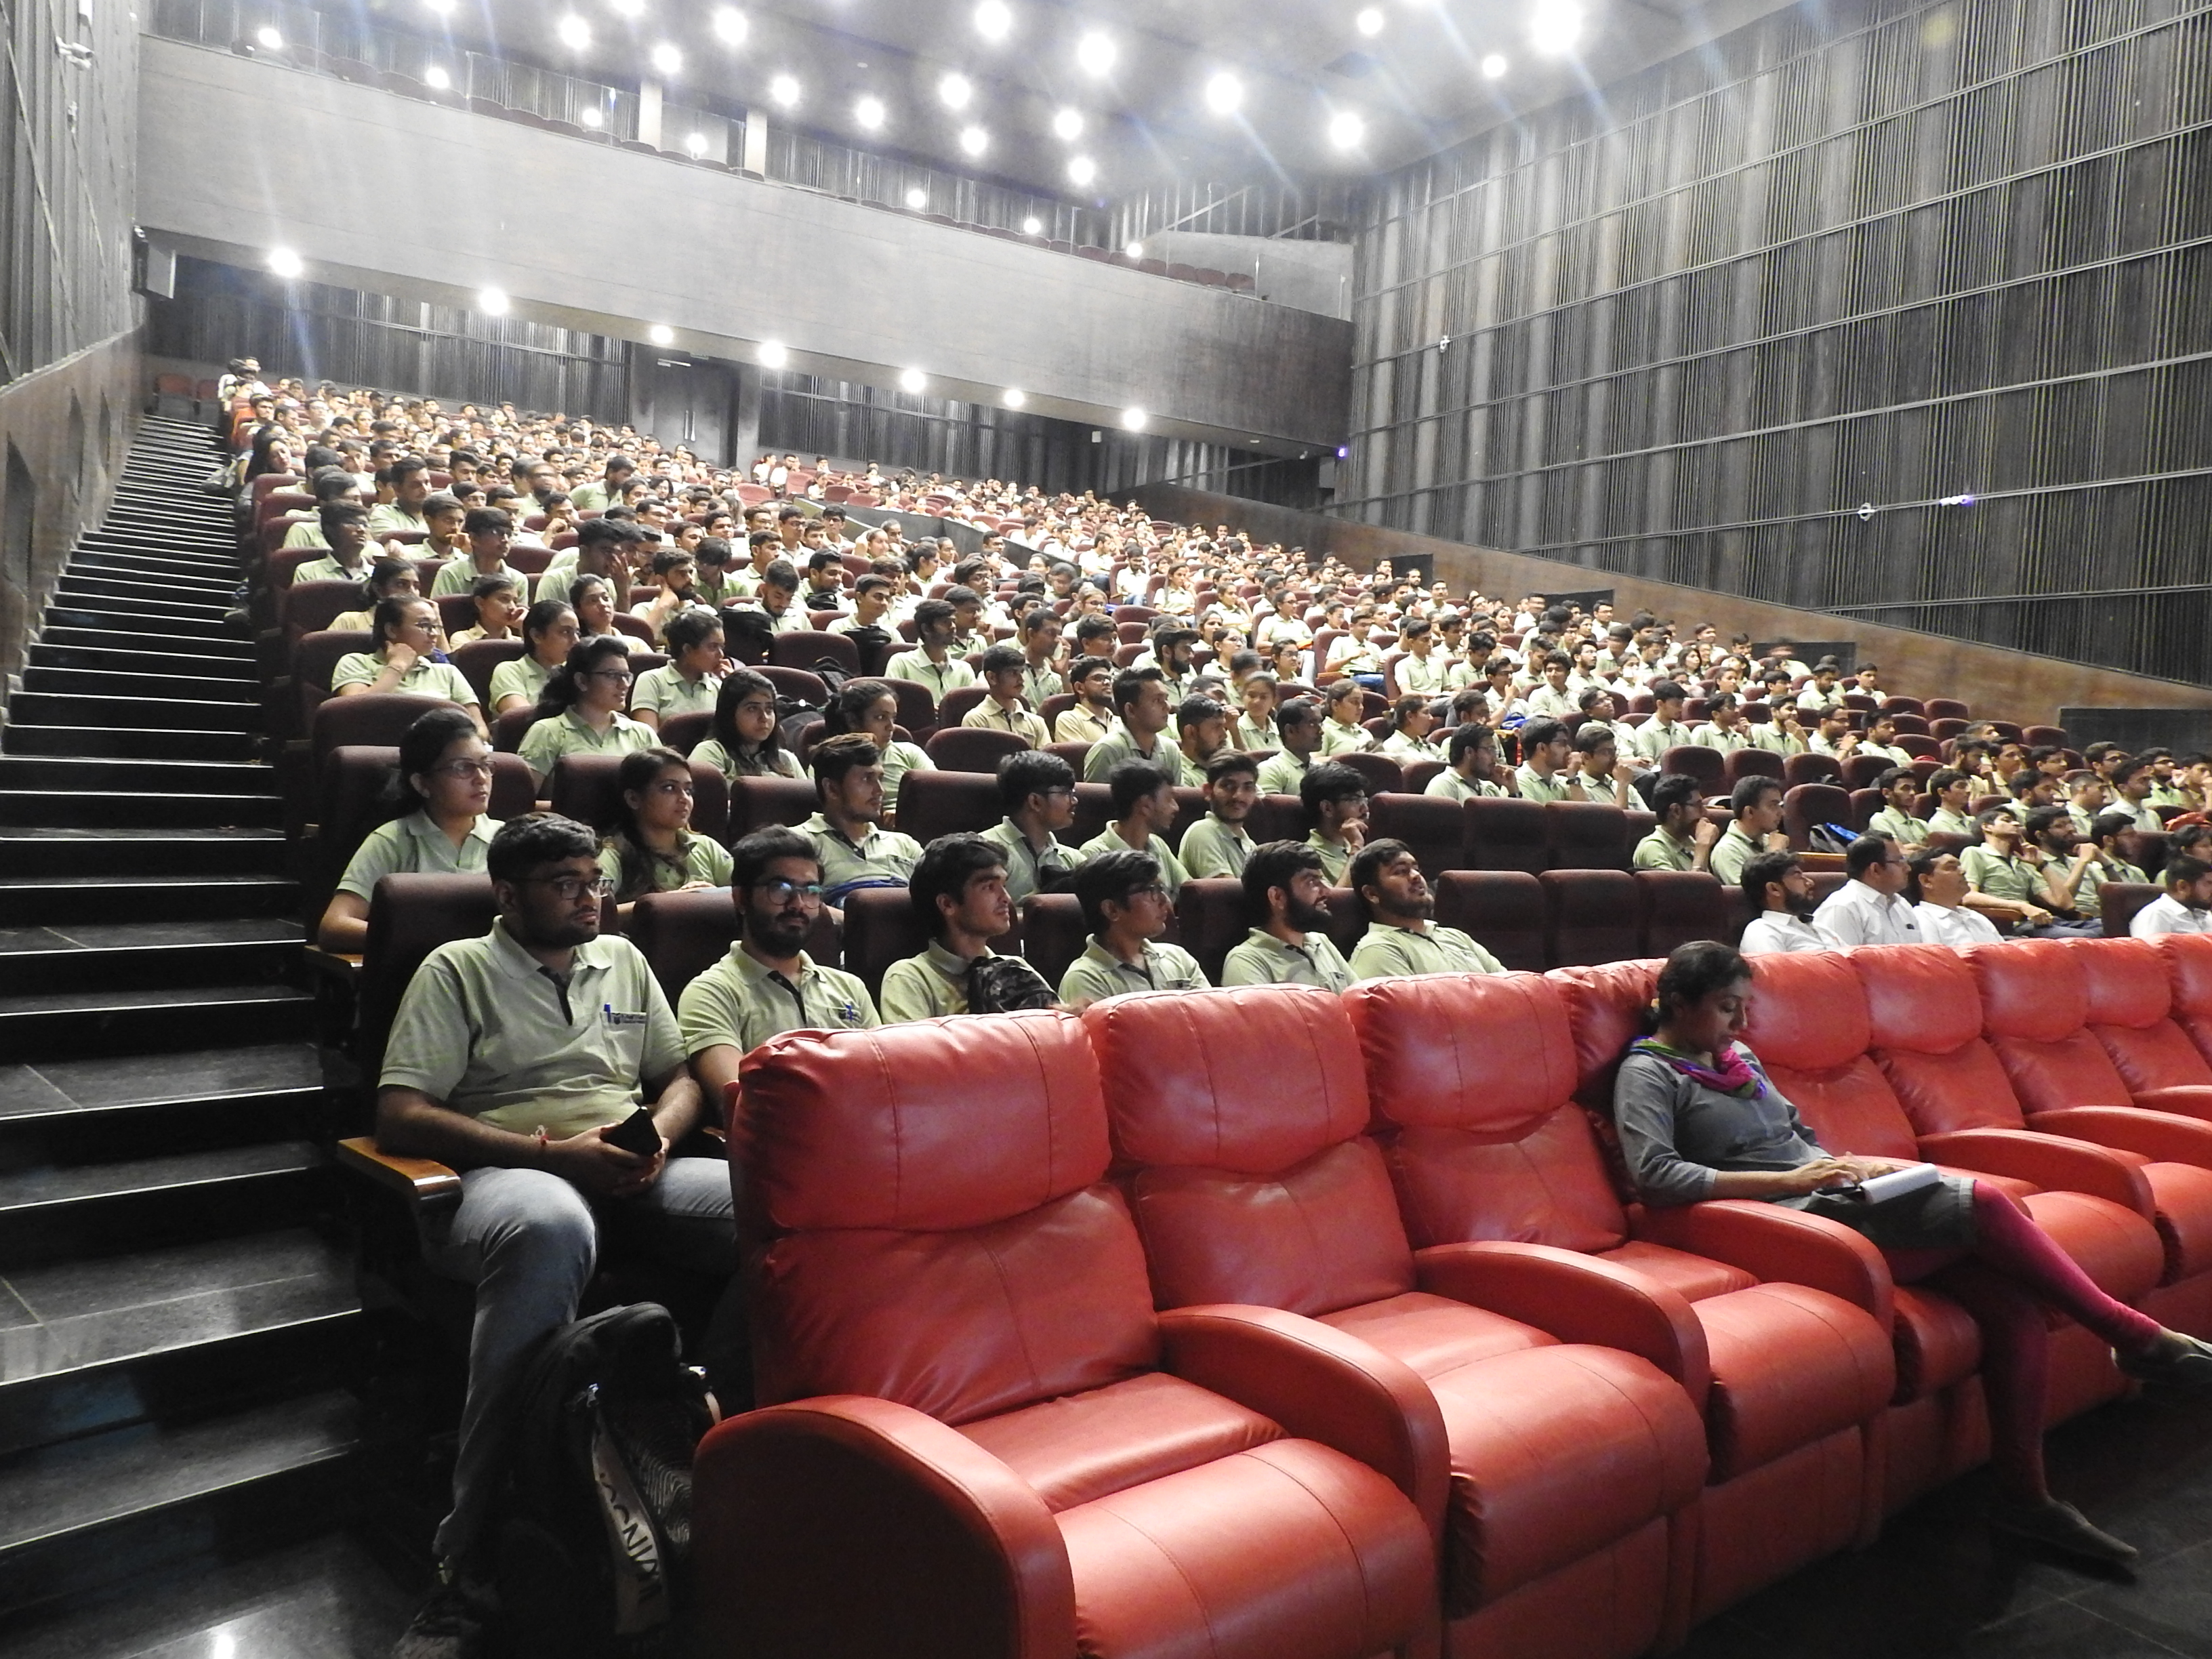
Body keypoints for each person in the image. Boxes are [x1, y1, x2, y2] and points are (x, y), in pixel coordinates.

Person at [1613, 941, 2212, 1568]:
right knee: (1985, 1203)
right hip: (1786, 1220)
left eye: (1745, 1007)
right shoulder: (1649, 1073)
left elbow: (1799, 1138)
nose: (1741, 1023)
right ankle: (2134, 1336)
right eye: (1726, 1008)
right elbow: (1657, 1177)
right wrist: (1791, 1180)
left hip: (1831, 1194)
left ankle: (2025, 1499)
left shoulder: (1737, 1058)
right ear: (1676, 1003)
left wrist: (1853, 1166)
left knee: (2012, 1306)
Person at [376, 816, 737, 1642]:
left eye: (595, 882)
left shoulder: (623, 958)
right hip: (505, 1174)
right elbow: (401, 1113)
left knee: (776, 1209)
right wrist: (551, 1155)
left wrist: (659, 1138)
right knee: (551, 1225)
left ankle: (707, 1447)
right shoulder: (458, 969)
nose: (589, 900)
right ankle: (471, 1545)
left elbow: (679, 1077)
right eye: (566, 885)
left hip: (631, 1165)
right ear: (508, 894)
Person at [678, 825, 878, 1103]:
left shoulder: (849, 987)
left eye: (811, 891)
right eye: (781, 889)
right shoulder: (711, 993)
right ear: (741, 898)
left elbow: (883, 1079)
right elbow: (740, 1102)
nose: (798, 904)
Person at [319, 708, 501, 953]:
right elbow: (334, 926)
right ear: (422, 783)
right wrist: (431, 943)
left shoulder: (510, 841)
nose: (481, 778)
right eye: (462, 768)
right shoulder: (392, 841)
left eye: (485, 765)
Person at [878, 834, 1036, 1020]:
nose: (1006, 898)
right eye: (989, 887)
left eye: (1004, 885)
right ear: (948, 904)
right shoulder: (911, 978)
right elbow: (912, 1041)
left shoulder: (1017, 969)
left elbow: (1056, 1028)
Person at [594, 747, 734, 923]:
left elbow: (747, 894)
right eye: (669, 788)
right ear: (633, 799)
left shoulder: (706, 846)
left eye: (688, 790)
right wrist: (671, 902)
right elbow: (595, 911)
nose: (684, 799)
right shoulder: (614, 853)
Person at [1057, 850, 1210, 1008]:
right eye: (1151, 891)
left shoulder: (1178, 958)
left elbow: (1210, 1016)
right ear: (1111, 909)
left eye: (1161, 889)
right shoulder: (1086, 978)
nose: (1165, 901)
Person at [1346, 838, 1505, 981]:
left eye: (1416, 869)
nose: (1416, 876)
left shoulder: (1456, 937)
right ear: (1372, 894)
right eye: (1401, 871)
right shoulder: (1378, 949)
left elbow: (1510, 988)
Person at [515, 635, 656, 789]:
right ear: (582, 681)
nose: (624, 685)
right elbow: (522, 799)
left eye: (626, 676)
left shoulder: (643, 734)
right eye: (612, 675)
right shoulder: (547, 732)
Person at [330, 596, 487, 733]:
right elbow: (355, 713)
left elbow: (480, 728)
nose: (434, 634)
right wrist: (397, 667)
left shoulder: (448, 672)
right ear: (391, 630)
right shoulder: (355, 662)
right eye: (424, 625)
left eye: (436, 626)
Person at [800, 733, 922, 901]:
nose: (880, 791)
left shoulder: (905, 845)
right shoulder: (800, 843)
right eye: (867, 778)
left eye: (880, 779)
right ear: (832, 789)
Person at [1221, 840, 1354, 990]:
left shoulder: (1321, 942)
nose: (1326, 891)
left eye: (1321, 880)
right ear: (1277, 897)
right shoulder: (1247, 961)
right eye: (1312, 882)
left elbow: (1360, 999)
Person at [1961, 805, 2093, 937]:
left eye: (2016, 821)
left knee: (2103, 929)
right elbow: (1968, 896)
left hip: (2043, 922)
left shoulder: (2023, 861)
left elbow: (2065, 904)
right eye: (2007, 820)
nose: (2016, 824)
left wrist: (2042, 865)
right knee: (2087, 937)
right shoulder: (1975, 853)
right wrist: (2022, 906)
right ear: (1987, 827)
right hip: (2012, 923)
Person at [979, 750, 1085, 902]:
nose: (1074, 801)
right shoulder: (984, 850)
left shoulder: (1075, 859)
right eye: (1065, 793)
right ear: (1035, 802)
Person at [822, 678, 933, 822]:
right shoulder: (830, 758)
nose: (891, 727)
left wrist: (903, 814)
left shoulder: (909, 752)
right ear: (853, 721)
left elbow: (934, 796)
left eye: (893, 718)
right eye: (881, 718)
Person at [1080, 760, 1190, 898]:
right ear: (1146, 805)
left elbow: (1188, 890)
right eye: (1169, 799)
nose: (1176, 807)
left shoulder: (1158, 844)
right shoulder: (1094, 853)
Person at [1083, 668, 1197, 786]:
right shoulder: (1107, 750)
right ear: (1130, 710)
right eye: (1157, 700)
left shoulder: (1171, 749)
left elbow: (1175, 795)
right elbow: (1097, 797)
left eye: (1166, 699)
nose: (1167, 707)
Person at [691, 667, 804, 782]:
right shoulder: (710, 752)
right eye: (752, 709)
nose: (764, 717)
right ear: (730, 713)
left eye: (769, 709)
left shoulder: (787, 760)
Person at [1810, 834, 1923, 947]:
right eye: (1899, 861)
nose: (1908, 868)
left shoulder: (1901, 904)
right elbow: (1840, 957)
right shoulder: (1843, 908)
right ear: (1876, 870)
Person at [630, 609, 725, 729]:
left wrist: (732, 685)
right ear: (687, 649)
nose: (721, 654)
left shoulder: (719, 687)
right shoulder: (651, 681)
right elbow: (647, 737)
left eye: (722, 647)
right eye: (713, 647)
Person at [489, 601, 582, 716]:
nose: (576, 641)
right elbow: (522, 720)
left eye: (577, 633)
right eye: (565, 632)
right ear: (536, 636)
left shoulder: (575, 674)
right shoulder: (510, 671)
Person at [1906, 844, 2008, 946]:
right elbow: (1933, 955)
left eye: (1960, 866)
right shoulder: (1921, 918)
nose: (1963, 871)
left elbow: (2003, 951)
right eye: (1952, 868)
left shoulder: (1975, 916)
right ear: (1926, 881)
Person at [1180, 752, 1261, 879]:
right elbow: (1226, 888)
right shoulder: (1202, 831)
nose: (1238, 796)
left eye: (1248, 788)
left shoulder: (1250, 844)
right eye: (1228, 786)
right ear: (1208, 791)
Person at [884, 597, 978, 697]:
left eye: (953, 621)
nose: (953, 627)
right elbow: (891, 700)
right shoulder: (901, 663)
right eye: (945, 622)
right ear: (926, 629)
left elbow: (970, 703)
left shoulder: (964, 668)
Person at [1737, 850, 1826, 954]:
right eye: (1798, 876)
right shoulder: (1762, 930)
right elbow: (1771, 965)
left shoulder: (1819, 926)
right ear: (1774, 889)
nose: (1810, 882)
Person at [962, 644, 1051, 745]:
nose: (1021, 680)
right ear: (992, 678)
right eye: (1013, 673)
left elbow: (1046, 755)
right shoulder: (976, 720)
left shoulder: (1037, 723)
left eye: (1021, 672)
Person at [1708, 777, 1788, 888]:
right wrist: (1775, 855)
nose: (1782, 813)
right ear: (1749, 812)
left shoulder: (1770, 841)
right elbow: (1753, 894)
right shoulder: (1727, 851)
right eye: (1773, 806)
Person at [430, 506, 525, 598]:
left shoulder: (518, 579)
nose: (505, 540)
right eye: (497, 533)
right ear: (474, 538)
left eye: (509, 534)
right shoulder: (450, 573)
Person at [1300, 761, 1369, 885]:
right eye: (1354, 800)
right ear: (1327, 808)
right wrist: (1357, 847)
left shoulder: (1358, 843)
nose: (1365, 809)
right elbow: (1334, 898)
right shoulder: (1306, 858)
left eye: (1364, 799)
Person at [1633, 773, 1719, 872]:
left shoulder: (1689, 841)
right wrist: (1702, 848)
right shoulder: (1653, 849)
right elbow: (1688, 883)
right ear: (1676, 811)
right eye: (1698, 806)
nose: (1705, 812)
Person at [1255, 697, 1325, 796]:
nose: (1321, 731)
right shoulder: (1270, 769)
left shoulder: (1321, 768)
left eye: (1320, 723)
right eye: (1312, 724)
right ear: (1290, 731)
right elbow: (1270, 806)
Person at [2130, 855, 2212, 937]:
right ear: (2182, 886)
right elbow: (2149, 946)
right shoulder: (2156, 915)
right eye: (2209, 883)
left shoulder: (2206, 915)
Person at [1426, 722, 1509, 802]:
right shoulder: (1443, 785)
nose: (1495, 758)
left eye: (1495, 751)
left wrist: (1512, 791)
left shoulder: (1490, 788)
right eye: (1490, 750)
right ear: (1469, 752)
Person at [447, 573, 527, 647]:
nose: (513, 607)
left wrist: (523, 628)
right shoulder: (463, 639)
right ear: (480, 603)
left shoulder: (519, 641)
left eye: (515, 602)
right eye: (504, 599)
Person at [1056, 655, 1120, 745]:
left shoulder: (1121, 722)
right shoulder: (1069, 720)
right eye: (1098, 678)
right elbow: (1081, 754)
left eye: (1109, 679)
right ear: (1080, 688)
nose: (1107, 683)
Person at [1867, 767, 1931, 846]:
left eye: (1913, 788)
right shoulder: (1880, 820)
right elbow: (1897, 851)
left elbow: (1936, 850)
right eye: (1905, 788)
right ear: (1887, 793)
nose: (1913, 793)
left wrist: (1913, 847)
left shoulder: (1921, 824)